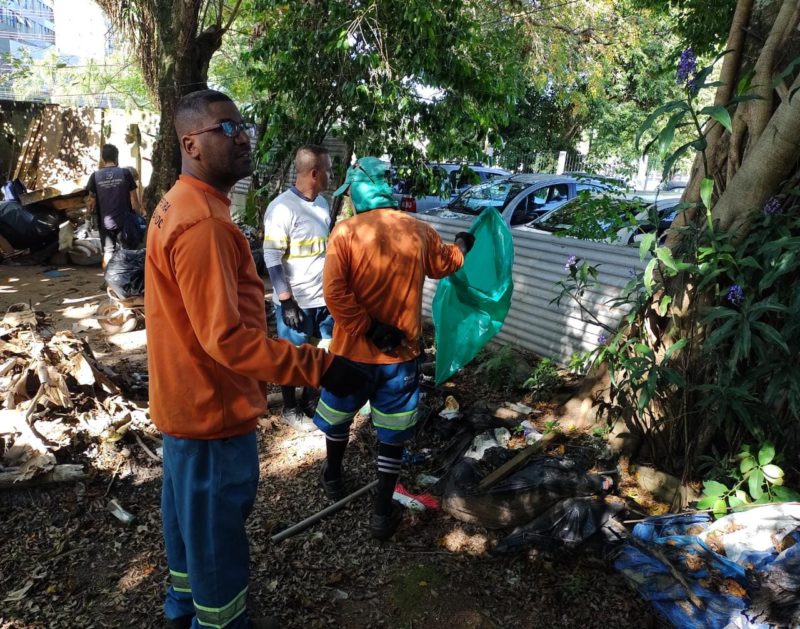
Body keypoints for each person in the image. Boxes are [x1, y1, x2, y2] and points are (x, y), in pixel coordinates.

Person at [144, 89, 363, 629]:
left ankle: (182, 609)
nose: (243, 138)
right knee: (216, 545)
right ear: (191, 144)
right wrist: (321, 366)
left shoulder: (178, 205)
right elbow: (228, 340)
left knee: (189, 531)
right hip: (212, 416)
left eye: (243, 127)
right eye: (227, 128)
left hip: (184, 409)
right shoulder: (205, 225)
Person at [312, 156, 475, 540]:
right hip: (400, 358)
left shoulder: (345, 233)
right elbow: (446, 264)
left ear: (357, 192)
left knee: (338, 419)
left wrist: (367, 327)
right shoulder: (418, 231)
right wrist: (463, 244)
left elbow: (333, 293)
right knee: (392, 435)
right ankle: (382, 514)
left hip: (351, 353)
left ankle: (333, 477)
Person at [262, 145, 334, 432]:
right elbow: (272, 256)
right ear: (315, 173)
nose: (332, 175)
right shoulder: (282, 208)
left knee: (321, 351)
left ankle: (310, 399)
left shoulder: (323, 204)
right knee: (292, 357)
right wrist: (286, 300)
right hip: (297, 301)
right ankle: (290, 407)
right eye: (328, 170)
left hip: (322, 299)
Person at [86, 143, 144, 266]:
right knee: (127, 251)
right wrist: (139, 216)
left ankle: (108, 277)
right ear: (116, 157)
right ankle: (125, 276)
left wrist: (88, 219)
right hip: (125, 221)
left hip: (105, 223)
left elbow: (91, 202)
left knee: (108, 252)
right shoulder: (125, 173)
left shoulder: (95, 176)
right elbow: (134, 200)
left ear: (103, 158)